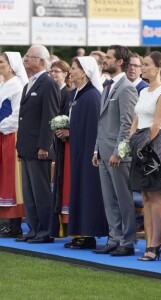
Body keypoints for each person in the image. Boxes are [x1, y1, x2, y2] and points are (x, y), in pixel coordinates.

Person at [92, 45, 138, 256]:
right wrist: (96, 150)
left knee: (122, 199)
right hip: (103, 150)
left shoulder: (127, 88)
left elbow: (127, 124)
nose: (104, 61)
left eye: (109, 57)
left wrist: (119, 152)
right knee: (109, 199)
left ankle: (127, 242)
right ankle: (114, 238)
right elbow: (102, 122)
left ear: (120, 62)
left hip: (117, 154)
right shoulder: (107, 86)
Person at [129, 51, 161, 261]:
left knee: (155, 197)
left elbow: (157, 123)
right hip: (139, 143)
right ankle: (149, 242)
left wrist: (143, 145)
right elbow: (136, 119)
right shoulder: (144, 91)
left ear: (158, 68)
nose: (142, 68)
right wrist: (130, 142)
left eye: (146, 65)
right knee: (145, 197)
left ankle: (156, 245)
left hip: (153, 147)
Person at [16, 45, 60, 243]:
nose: (25, 60)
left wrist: (45, 145)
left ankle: (45, 231)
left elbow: (49, 116)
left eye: (29, 57)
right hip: (27, 146)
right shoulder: (29, 84)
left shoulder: (48, 83)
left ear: (41, 61)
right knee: (29, 191)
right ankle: (33, 229)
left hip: (39, 147)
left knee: (41, 191)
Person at [63, 56, 108, 249]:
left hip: (88, 151)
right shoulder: (76, 94)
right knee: (79, 190)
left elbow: (93, 128)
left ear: (84, 72)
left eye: (74, 68)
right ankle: (79, 232)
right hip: (77, 149)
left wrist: (71, 132)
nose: (70, 72)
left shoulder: (91, 96)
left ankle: (88, 234)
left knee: (88, 191)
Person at [0, 52, 28, 238]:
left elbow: (17, 116)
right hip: (3, 135)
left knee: (12, 179)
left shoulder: (17, 86)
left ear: (11, 65)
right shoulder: (4, 85)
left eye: (1, 62)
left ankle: (15, 223)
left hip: (11, 136)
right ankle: (7, 221)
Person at [49, 60, 72, 237]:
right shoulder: (54, 91)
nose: (53, 74)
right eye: (52, 71)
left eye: (57, 71)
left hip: (64, 144)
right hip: (56, 142)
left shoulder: (68, 93)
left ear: (65, 73)